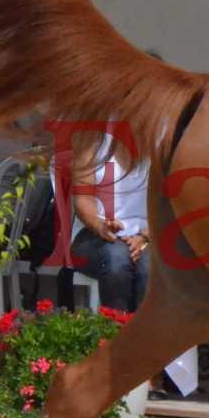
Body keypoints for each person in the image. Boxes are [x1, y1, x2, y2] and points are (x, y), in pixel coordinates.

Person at [56, 129, 150, 314]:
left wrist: (144, 236)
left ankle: (144, 337)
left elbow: (169, 205)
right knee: (117, 260)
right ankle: (113, 332)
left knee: (149, 268)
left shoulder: (160, 143)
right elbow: (83, 200)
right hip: (94, 234)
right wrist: (100, 225)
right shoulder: (92, 139)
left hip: (148, 235)